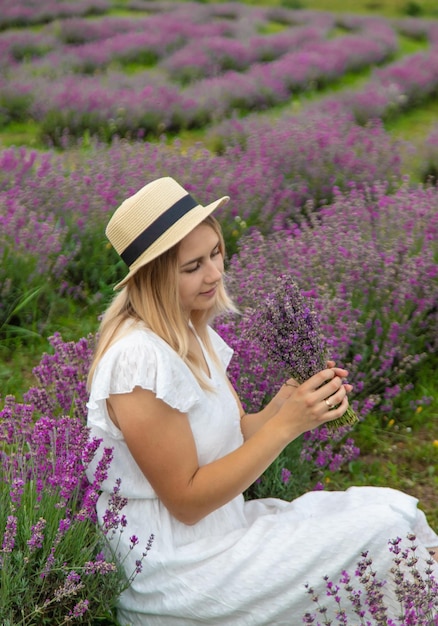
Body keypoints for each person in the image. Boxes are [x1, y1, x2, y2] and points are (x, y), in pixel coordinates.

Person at [86, 177, 438, 625]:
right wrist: (285, 425)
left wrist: (289, 402)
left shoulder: (189, 329)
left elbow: (234, 437)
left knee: (393, 508)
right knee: (383, 535)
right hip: (179, 567)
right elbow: (187, 501)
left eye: (215, 253)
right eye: (192, 266)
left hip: (225, 533)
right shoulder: (138, 360)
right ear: (153, 277)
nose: (214, 273)